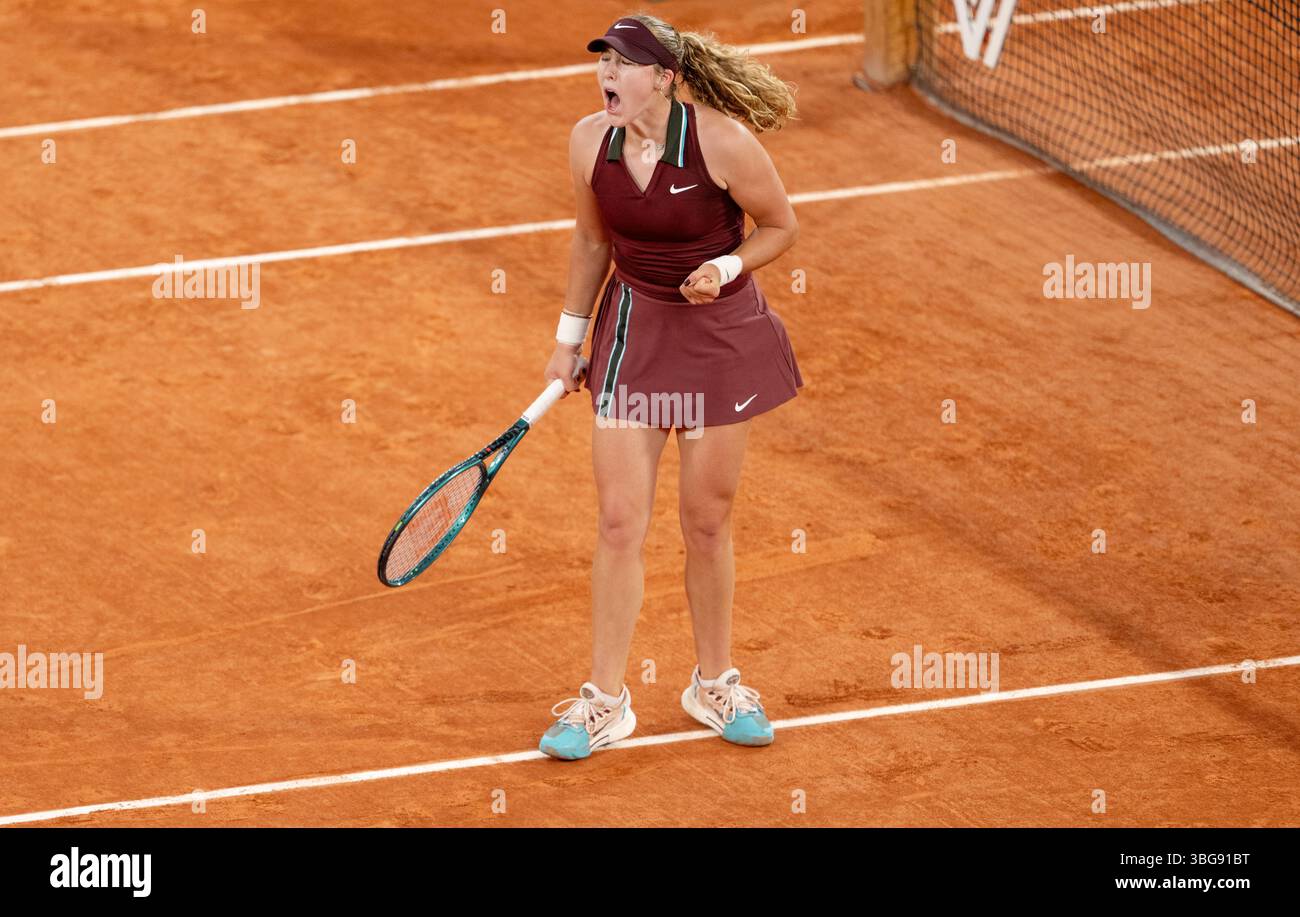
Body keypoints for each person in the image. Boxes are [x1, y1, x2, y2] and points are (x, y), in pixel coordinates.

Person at [539, 13, 802, 760]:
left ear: (663, 77)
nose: (606, 77)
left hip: (719, 342)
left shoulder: (720, 142)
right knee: (621, 521)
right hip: (636, 338)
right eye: (603, 64)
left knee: (706, 522)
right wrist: (567, 341)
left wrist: (724, 267)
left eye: (622, 65)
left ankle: (713, 683)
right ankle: (604, 702)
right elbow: (593, 240)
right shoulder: (591, 140)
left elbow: (781, 225)